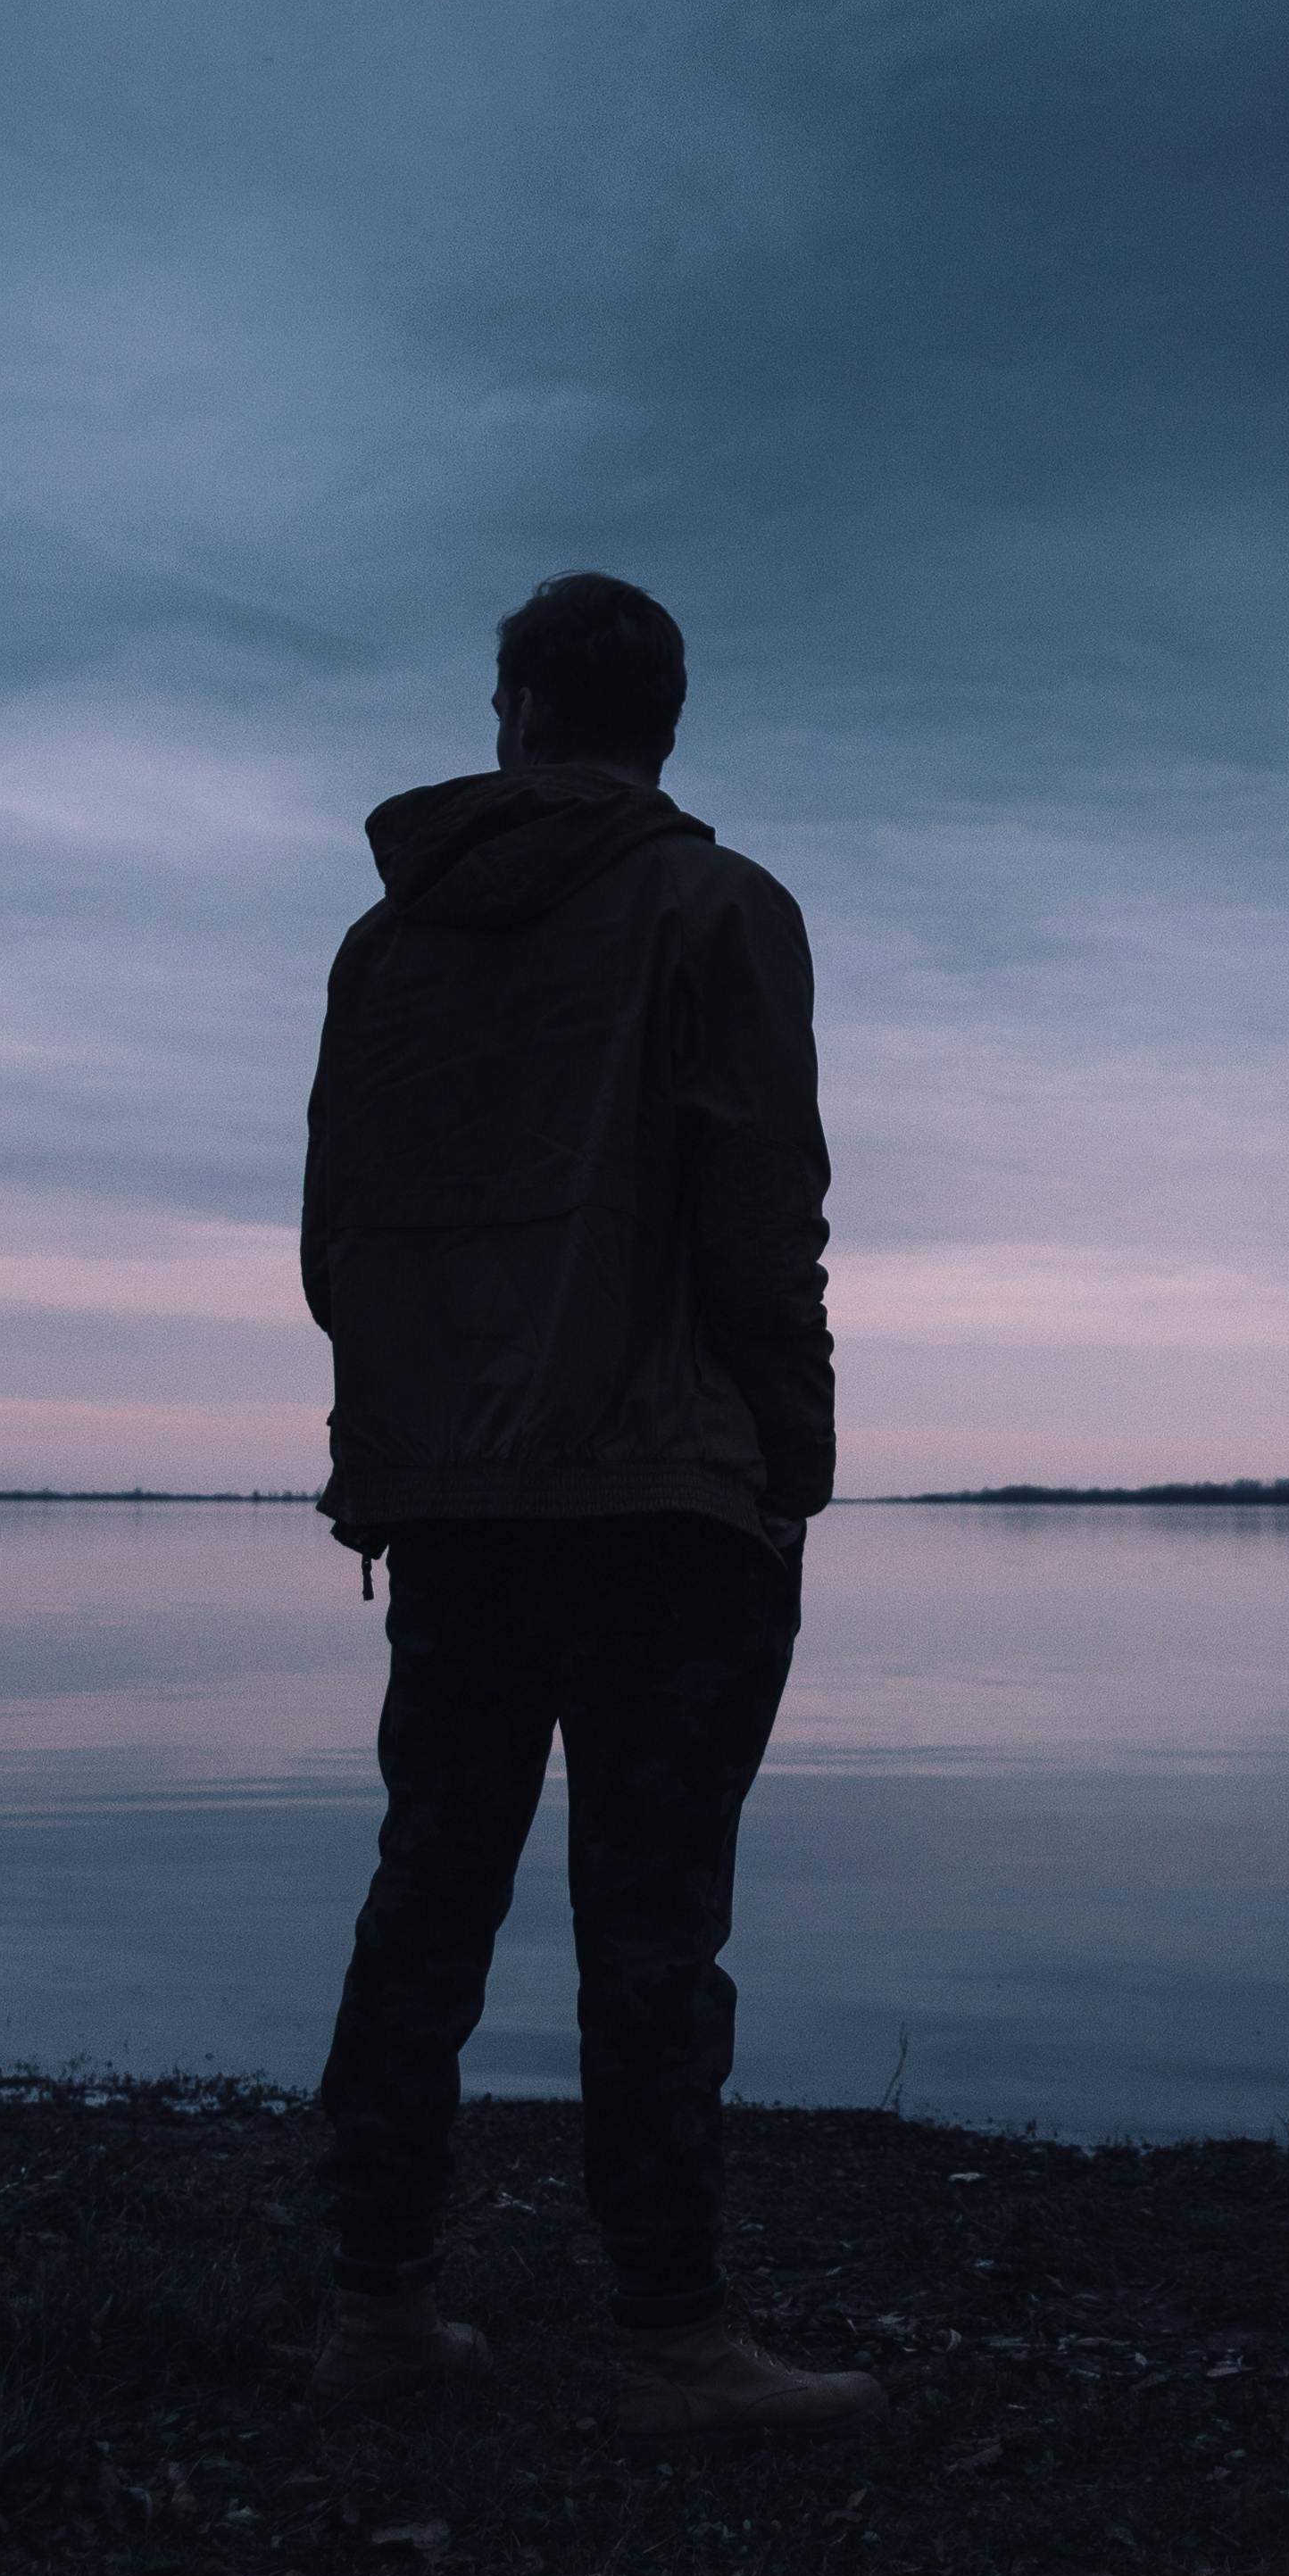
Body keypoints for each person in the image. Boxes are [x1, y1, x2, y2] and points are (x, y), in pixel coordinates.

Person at [297, 569, 875, 2437]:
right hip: (662, 1503)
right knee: (650, 1924)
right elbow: (759, 1217)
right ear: (662, 724)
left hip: (456, 1498)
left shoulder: (386, 953)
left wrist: (394, 1452)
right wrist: (796, 1460)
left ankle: (373, 2307)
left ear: (518, 715)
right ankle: (673, 2338)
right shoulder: (718, 909)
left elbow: (340, 1244)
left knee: (427, 1898)